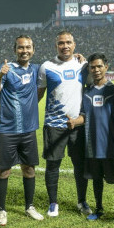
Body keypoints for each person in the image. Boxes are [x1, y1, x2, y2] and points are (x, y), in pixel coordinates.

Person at [0, 35, 44, 226]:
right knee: (3, 171)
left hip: (28, 129)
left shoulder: (37, 69)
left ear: (33, 50)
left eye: (28, 47)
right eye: (21, 48)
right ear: (15, 50)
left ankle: (29, 207)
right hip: (7, 129)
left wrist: (79, 58)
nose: (25, 50)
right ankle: (1, 210)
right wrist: (0, 75)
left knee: (29, 169)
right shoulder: (7, 69)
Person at [67, 53, 114, 222]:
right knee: (96, 178)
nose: (96, 70)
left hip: (110, 143)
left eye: (99, 66)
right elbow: (84, 116)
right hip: (92, 144)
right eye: (92, 67)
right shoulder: (86, 93)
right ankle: (99, 208)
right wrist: (74, 122)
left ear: (106, 67)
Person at [37, 30, 91, 217]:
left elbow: (93, 86)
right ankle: (53, 203)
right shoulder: (46, 67)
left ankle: (82, 201)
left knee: (81, 165)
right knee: (53, 165)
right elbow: (38, 94)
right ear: (56, 46)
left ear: (74, 45)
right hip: (54, 124)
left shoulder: (83, 65)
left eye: (68, 42)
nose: (65, 46)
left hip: (78, 125)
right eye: (61, 43)